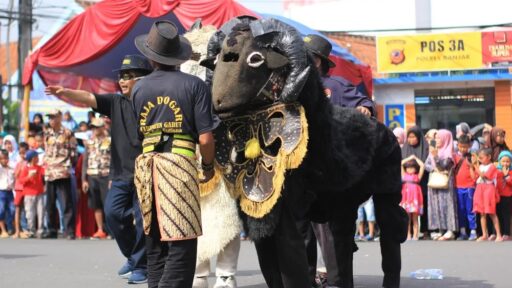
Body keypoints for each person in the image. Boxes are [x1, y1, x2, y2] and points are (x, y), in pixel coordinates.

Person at [45, 54, 152, 284]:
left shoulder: (153, 103)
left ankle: (142, 265)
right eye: (121, 76)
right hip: (122, 175)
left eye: (129, 76)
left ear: (143, 79)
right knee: (112, 215)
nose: (123, 80)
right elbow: (87, 96)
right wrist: (64, 92)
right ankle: (134, 258)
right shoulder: (115, 102)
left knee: (144, 220)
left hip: (148, 172)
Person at [131, 20, 216, 288]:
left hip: (146, 167)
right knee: (182, 239)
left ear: (151, 57)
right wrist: (209, 165)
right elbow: (205, 137)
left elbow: (140, 134)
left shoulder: (138, 88)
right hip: (178, 165)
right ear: (178, 56)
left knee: (155, 241)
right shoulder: (194, 85)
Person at [301, 33, 376, 288]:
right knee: (303, 234)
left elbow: (364, 103)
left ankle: (336, 281)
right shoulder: (292, 87)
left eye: (309, 57)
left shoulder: (337, 85)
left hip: (328, 170)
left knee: (328, 232)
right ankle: (305, 280)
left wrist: (365, 108)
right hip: (299, 170)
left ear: (320, 61)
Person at [304, 34, 374, 117]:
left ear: (317, 62)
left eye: (303, 57)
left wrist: (364, 108)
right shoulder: (290, 83)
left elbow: (366, 103)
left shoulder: (337, 85)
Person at [42, 109, 77, 240]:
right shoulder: (47, 133)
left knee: (66, 203)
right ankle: (51, 230)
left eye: (53, 117)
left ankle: (69, 231)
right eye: (49, 117)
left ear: (60, 118)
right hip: (50, 172)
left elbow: (73, 152)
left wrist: (67, 166)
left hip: (62, 171)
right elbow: (46, 151)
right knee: (49, 203)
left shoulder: (67, 133)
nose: (51, 120)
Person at [425, 129, 458, 241]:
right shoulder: (433, 151)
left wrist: (435, 157)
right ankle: (440, 229)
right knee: (436, 206)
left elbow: (444, 166)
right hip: (434, 181)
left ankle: (450, 230)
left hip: (445, 183)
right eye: (436, 138)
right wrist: (434, 166)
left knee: (446, 205)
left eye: (439, 138)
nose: (437, 140)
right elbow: (427, 165)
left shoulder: (449, 153)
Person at [82, 118, 111, 239]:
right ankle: (100, 230)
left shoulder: (110, 141)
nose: (94, 129)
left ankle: (110, 230)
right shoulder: (89, 142)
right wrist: (84, 179)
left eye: (96, 127)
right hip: (92, 175)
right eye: (92, 127)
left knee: (108, 204)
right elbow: (85, 161)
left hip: (106, 175)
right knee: (96, 204)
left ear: (102, 127)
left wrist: (113, 177)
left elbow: (116, 160)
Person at [401, 126, 430, 238]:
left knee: (421, 209)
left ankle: (424, 230)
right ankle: (410, 233)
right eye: (409, 137)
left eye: (413, 137)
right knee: (408, 211)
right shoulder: (405, 148)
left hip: (421, 182)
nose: (411, 139)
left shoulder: (425, 148)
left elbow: (425, 164)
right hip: (407, 185)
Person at [473, 148, 503, 242]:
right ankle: (484, 234)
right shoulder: (480, 166)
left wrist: (475, 167)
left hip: (488, 189)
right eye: (479, 158)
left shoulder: (492, 167)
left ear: (489, 157)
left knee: (491, 212)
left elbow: (484, 176)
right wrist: (472, 167)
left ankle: (498, 234)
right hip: (480, 188)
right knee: (482, 213)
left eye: (482, 157)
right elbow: (475, 177)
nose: (480, 159)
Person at [453, 135, 478, 241]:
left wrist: (472, 165)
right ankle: (463, 232)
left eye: (465, 147)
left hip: (469, 187)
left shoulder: (472, 157)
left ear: (470, 146)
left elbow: (476, 173)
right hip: (457, 187)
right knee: (461, 210)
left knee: (470, 209)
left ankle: (473, 231)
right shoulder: (454, 156)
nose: (463, 149)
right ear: (457, 145)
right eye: (461, 146)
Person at [19, 150, 45, 238]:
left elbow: (45, 173)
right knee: (30, 213)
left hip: (39, 193)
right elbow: (21, 181)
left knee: (41, 212)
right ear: (32, 158)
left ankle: (40, 230)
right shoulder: (25, 169)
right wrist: (29, 177)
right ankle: (31, 230)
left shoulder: (39, 168)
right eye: (36, 157)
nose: (38, 158)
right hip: (29, 194)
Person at [400, 155, 425, 240]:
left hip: (415, 199)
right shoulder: (404, 175)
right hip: (406, 198)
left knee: (415, 218)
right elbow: (401, 164)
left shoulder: (417, 176)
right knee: (407, 218)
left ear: (415, 169)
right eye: (408, 167)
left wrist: (415, 158)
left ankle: (415, 235)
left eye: (412, 167)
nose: (410, 169)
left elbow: (422, 165)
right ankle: (408, 235)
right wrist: (410, 158)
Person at [13, 142, 29, 239]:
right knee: (18, 209)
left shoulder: (31, 163)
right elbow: (15, 176)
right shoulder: (18, 163)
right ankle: (17, 231)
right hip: (19, 188)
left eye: (24, 153)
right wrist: (20, 167)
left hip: (28, 188)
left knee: (28, 210)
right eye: (20, 153)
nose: (23, 155)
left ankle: (27, 229)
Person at [496, 150, 512, 241]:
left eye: (507, 161)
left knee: (506, 215)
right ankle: (500, 232)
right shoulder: (497, 171)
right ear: (499, 161)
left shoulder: (510, 172)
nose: (505, 163)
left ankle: (507, 233)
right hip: (498, 196)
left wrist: (506, 176)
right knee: (499, 214)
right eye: (503, 161)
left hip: (507, 196)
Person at [0, 149, 14, 238]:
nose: (5, 160)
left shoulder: (11, 168)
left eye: (6, 158)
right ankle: (3, 230)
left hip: (10, 192)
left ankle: (10, 228)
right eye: (2, 159)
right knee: (1, 211)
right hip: (1, 192)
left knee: (12, 210)